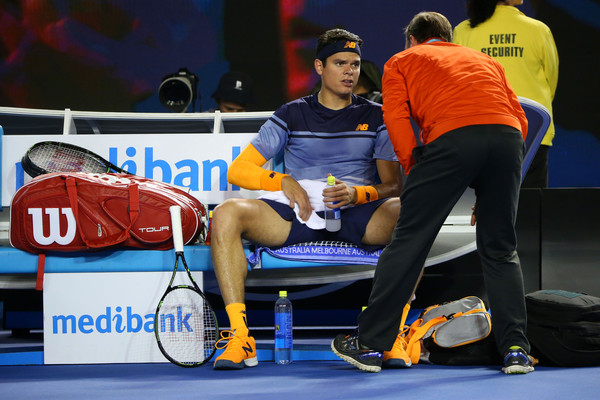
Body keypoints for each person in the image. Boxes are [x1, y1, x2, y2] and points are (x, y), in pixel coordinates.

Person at [332, 11, 535, 375]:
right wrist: (494, 193)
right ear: (448, 37)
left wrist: (414, 167)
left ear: (412, 39)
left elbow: (395, 118)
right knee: (501, 249)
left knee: (408, 242)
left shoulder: (403, 60)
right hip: (507, 143)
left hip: (451, 140)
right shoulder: (484, 59)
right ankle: (517, 349)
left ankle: (370, 344)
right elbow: (518, 119)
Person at [210, 28, 404, 370]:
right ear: (319, 67)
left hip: (357, 214)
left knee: (409, 213)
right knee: (226, 214)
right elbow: (238, 171)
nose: (350, 71)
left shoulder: (376, 116)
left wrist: (358, 193)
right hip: (297, 214)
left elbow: (392, 186)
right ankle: (240, 337)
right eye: (340, 63)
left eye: (355, 64)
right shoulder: (291, 113)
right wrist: (282, 180)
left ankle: (391, 335)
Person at [453, 0, 559, 188]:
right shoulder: (538, 30)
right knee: (531, 207)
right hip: (532, 130)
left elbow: (456, 83)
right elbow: (551, 78)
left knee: (487, 204)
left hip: (480, 132)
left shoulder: (463, 31)